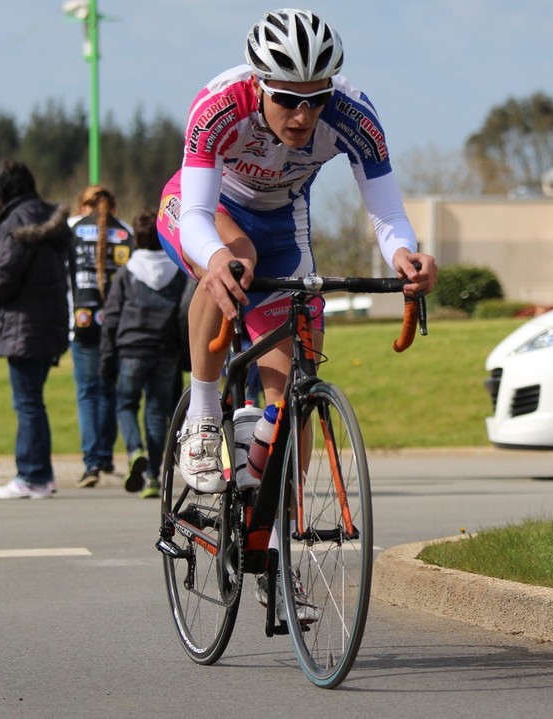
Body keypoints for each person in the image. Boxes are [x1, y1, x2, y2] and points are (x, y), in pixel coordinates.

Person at [156, 9, 438, 620]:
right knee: (235, 258)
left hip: (286, 228)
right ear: (260, 85)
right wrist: (218, 261)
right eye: (287, 100)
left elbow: (386, 213)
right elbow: (199, 213)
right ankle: (205, 420)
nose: (303, 115)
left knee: (292, 396)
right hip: (203, 212)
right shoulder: (220, 103)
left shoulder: (353, 115)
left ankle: (276, 551)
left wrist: (406, 256)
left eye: (316, 99)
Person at [0, 159, 71, 500]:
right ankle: (42, 475)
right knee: (33, 402)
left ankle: (32, 475)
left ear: (1, 189)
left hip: (25, 327)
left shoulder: (14, 221)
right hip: (49, 320)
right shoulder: (47, 216)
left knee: (27, 403)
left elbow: (2, 280)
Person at [99, 212, 187, 499]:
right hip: (166, 349)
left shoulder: (127, 272)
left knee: (125, 404)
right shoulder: (177, 272)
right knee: (156, 412)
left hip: (131, 348)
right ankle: (153, 477)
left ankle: (135, 449)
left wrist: (107, 356)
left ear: (136, 238)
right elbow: (185, 314)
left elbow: (111, 317)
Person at [68, 186, 135, 488]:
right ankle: (105, 456)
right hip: (118, 324)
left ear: (84, 205)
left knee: (87, 393)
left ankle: (92, 462)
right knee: (109, 389)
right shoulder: (126, 231)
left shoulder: (73, 229)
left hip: (81, 322)